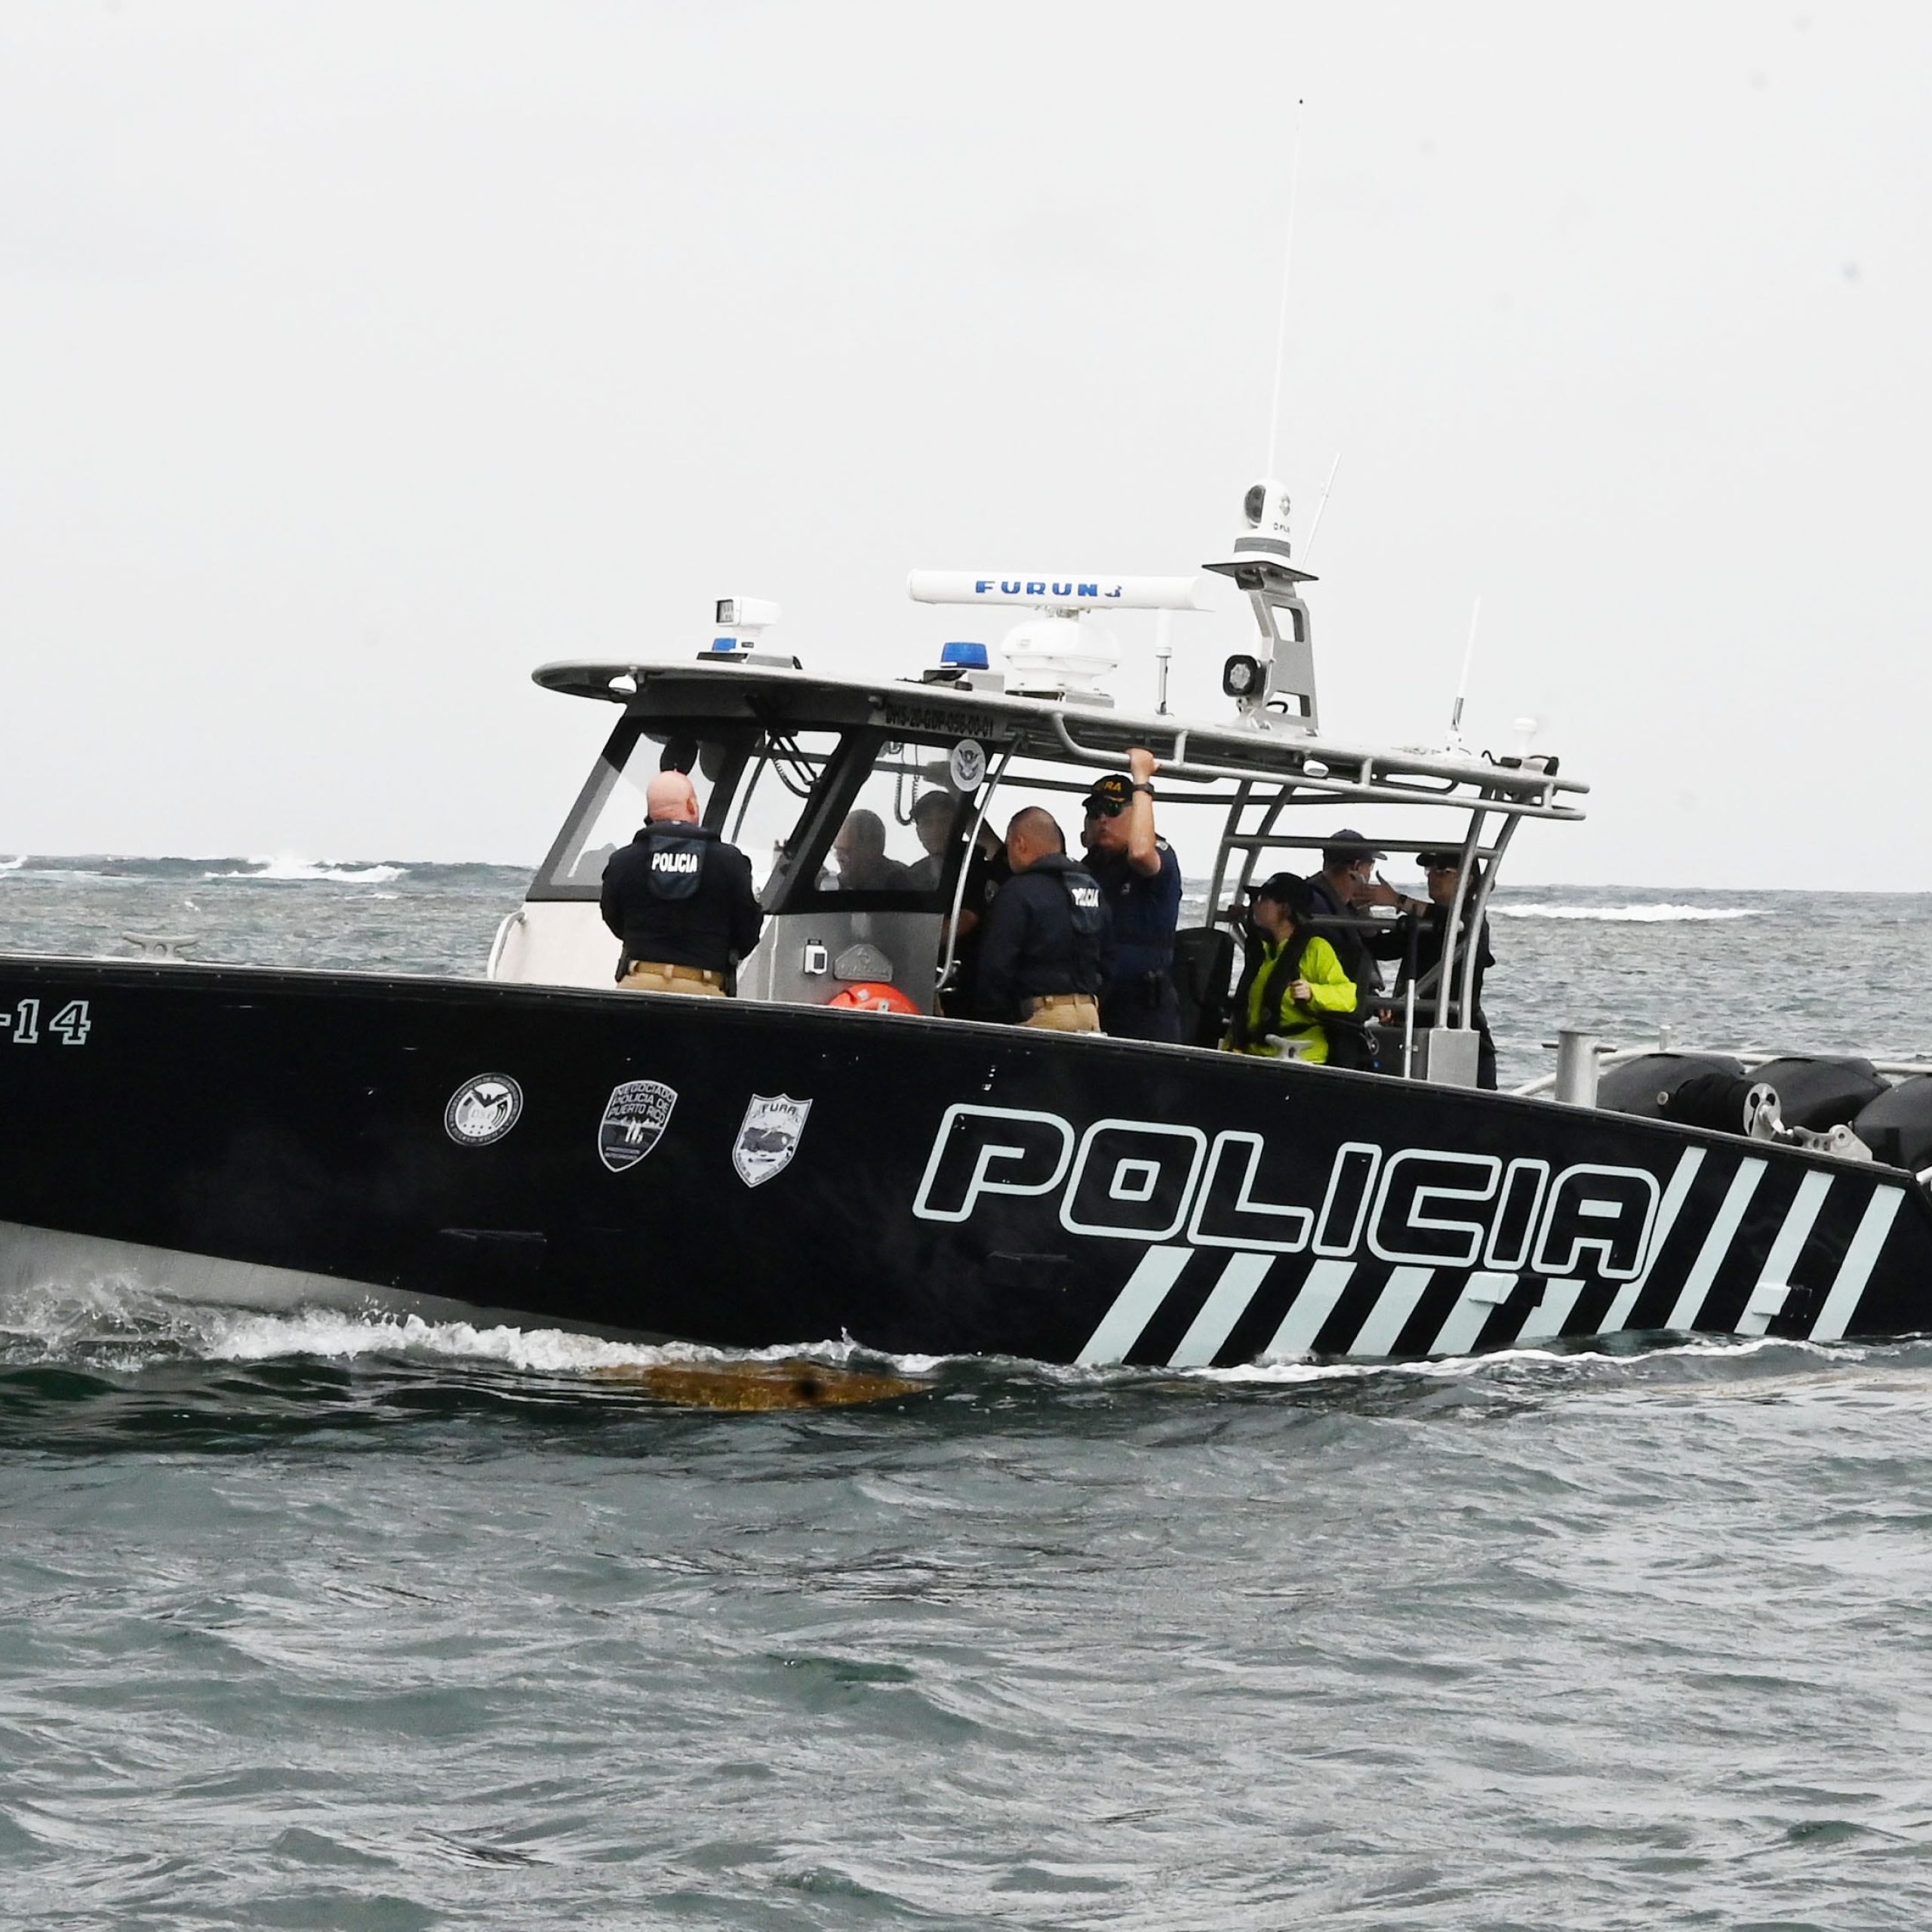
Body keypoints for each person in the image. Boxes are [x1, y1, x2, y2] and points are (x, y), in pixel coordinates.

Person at [599, 771, 764, 995]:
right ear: (691, 805)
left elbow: (613, 916)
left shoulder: (623, 861)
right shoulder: (729, 862)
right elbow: (748, 929)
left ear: (650, 812)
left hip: (637, 986)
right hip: (704, 989)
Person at [1366, 849, 1498, 1087]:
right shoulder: (1422, 921)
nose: (1432, 877)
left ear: (1467, 880)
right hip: (1413, 1031)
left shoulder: (1473, 919)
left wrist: (1398, 900)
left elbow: (1454, 923)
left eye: (1442, 871)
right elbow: (1382, 949)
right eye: (1430, 871)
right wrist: (1360, 909)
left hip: (1462, 1037)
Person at [974, 807, 1109, 1032]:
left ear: (1020, 843)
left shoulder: (1018, 892)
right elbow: (1109, 959)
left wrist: (993, 1016)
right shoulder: (1091, 887)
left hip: (1042, 1017)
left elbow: (996, 965)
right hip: (1089, 1016)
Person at [1080, 747, 1183, 1042]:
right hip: (1099, 1004)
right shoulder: (1091, 866)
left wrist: (1142, 781)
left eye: (1113, 810)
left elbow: (1140, 853)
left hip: (1145, 1016)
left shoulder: (1158, 857)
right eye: (1095, 812)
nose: (1103, 820)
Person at [1225, 873, 1359, 1063]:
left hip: (1301, 1056)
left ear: (1285, 909)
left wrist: (1313, 992)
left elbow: (1348, 997)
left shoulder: (1315, 949)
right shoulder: (1263, 950)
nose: (1256, 905)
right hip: (1257, 1053)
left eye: (1263, 899)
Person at [1300, 828, 1388, 1069]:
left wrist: (1363, 910)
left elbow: (1372, 946)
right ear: (1356, 868)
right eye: (1369, 868)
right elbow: (1341, 962)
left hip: (1332, 1011)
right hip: (1326, 1019)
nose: (1369, 876)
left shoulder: (1330, 901)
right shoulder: (1318, 904)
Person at [831, 808, 917, 891]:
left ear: (871, 851)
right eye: (837, 851)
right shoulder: (841, 882)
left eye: (847, 852)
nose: (839, 859)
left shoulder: (898, 881)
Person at [907, 792, 955, 891]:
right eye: (927, 823)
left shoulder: (976, 867)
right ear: (918, 832)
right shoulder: (911, 877)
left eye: (944, 821)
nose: (935, 830)